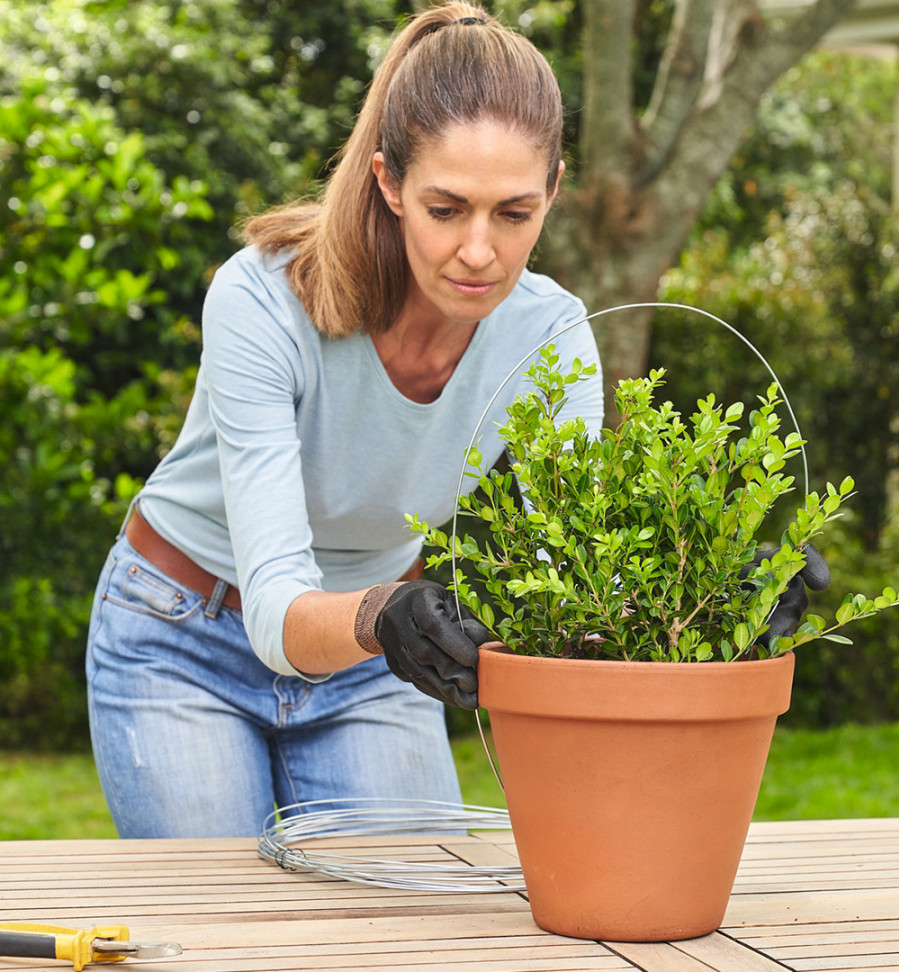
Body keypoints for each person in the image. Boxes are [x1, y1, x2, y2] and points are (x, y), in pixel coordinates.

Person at [85, 2, 604, 839]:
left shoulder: (552, 336)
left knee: (414, 924)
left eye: (513, 214)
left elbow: (572, 578)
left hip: (372, 664)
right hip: (183, 633)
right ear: (388, 182)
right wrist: (381, 618)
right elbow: (277, 607)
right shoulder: (260, 299)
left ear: (553, 189)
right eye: (446, 209)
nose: (480, 251)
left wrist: (728, 600)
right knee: (234, 941)